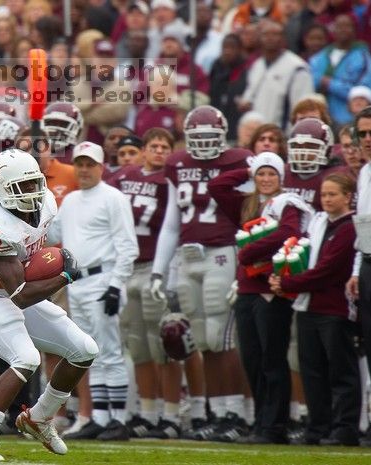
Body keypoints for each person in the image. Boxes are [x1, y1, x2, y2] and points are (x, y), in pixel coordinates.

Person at [0, 148, 98, 461]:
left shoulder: (46, 201)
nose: (33, 192)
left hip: (18, 291)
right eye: (22, 187)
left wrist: (52, 267)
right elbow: (19, 293)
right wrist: (63, 277)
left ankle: (39, 417)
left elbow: (33, 258)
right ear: (0, 189)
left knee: (84, 350)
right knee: (25, 358)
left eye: (35, 183)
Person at [150, 105, 252, 441]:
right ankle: (217, 412)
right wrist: (158, 272)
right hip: (187, 256)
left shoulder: (240, 160)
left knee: (221, 336)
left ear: (223, 136)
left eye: (211, 138)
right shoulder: (178, 163)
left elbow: (251, 212)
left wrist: (245, 265)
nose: (205, 145)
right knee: (202, 341)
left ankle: (235, 412)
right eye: (198, 138)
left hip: (222, 253)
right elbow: (171, 221)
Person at [208, 152, 313, 444]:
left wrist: (250, 252)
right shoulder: (247, 203)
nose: (266, 180)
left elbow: (288, 232)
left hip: (271, 288)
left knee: (272, 358)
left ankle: (275, 425)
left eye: (272, 174)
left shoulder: (287, 203)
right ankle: (260, 421)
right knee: (252, 358)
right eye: (261, 174)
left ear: (282, 178)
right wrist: (249, 167)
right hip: (246, 289)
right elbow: (217, 187)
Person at [48, 141, 138, 440]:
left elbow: (127, 246)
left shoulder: (113, 198)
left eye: (90, 164)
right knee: (92, 352)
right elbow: (53, 234)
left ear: (101, 167)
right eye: (80, 164)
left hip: (103, 279)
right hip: (77, 282)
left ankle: (119, 418)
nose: (84, 170)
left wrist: (116, 285)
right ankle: (99, 416)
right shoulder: (71, 200)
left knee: (110, 350)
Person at [270, 173, 360, 446]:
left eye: (333, 194)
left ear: (348, 196)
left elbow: (327, 270)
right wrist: (282, 273)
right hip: (308, 306)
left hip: (333, 308)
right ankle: (318, 427)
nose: (328, 199)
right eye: (324, 195)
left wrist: (287, 282)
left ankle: (345, 428)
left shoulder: (349, 227)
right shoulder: (320, 222)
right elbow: (303, 254)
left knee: (340, 371)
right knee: (311, 369)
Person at [107, 128, 186, 439]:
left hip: (157, 266)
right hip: (127, 267)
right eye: (153, 145)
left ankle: (171, 414)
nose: (159, 151)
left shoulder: (170, 181)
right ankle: (147, 411)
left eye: (165, 146)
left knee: (163, 344)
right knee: (138, 345)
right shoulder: (124, 176)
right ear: (142, 150)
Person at [346, 106, 371, 427]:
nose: (367, 139)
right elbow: (362, 228)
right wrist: (356, 270)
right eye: (362, 133)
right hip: (367, 266)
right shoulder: (365, 173)